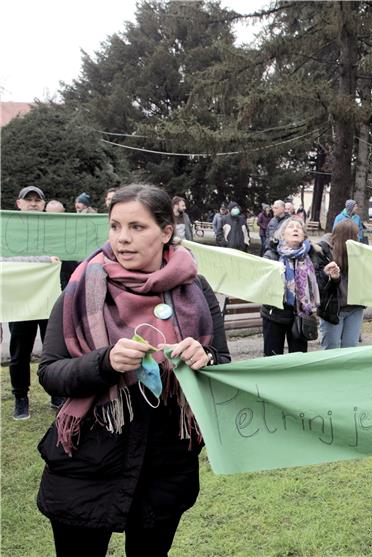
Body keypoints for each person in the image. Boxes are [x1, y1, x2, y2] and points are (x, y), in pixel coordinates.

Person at [36, 184, 230, 556]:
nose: (122, 239)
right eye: (115, 226)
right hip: (87, 462)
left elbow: (220, 363)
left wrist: (203, 357)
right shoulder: (81, 286)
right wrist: (104, 363)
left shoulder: (195, 289)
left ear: (166, 232)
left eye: (137, 227)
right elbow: (51, 373)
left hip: (165, 465)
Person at [7, 186, 64, 419]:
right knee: (20, 352)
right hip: (21, 300)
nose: (32, 203)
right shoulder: (9, 230)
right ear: (18, 204)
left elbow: (63, 256)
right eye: (27, 200)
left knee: (54, 350)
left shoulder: (53, 230)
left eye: (36, 200)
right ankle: (21, 398)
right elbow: (6, 259)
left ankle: (57, 392)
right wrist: (42, 259)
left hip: (48, 298)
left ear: (43, 204)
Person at [261, 219, 321, 356]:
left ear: (304, 235)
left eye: (299, 228)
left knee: (298, 361)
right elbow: (264, 285)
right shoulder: (272, 255)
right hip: (274, 315)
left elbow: (319, 285)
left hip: (300, 315)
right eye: (291, 227)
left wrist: (331, 277)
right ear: (282, 234)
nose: (295, 229)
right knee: (272, 360)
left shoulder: (311, 255)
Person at [315, 220, 365, 350]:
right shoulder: (323, 252)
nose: (358, 238)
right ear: (348, 237)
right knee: (331, 349)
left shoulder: (359, 252)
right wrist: (329, 276)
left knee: (350, 349)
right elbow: (318, 283)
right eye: (355, 235)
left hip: (355, 308)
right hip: (332, 308)